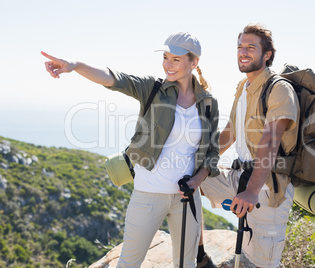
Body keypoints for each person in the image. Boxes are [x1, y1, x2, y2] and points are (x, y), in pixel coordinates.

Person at [42, 32, 220, 268]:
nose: (168, 64)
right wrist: (75, 66)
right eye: (165, 57)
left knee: (186, 264)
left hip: (187, 199)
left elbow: (211, 153)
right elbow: (113, 78)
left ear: (193, 62)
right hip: (148, 195)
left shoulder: (208, 103)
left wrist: (196, 181)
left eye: (175, 59)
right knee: (128, 263)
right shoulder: (153, 88)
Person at [196, 23, 300, 268]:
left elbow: (270, 143)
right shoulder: (243, 87)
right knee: (187, 180)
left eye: (251, 47)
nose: (243, 52)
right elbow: (230, 133)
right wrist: (201, 162)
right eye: (240, 46)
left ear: (267, 55)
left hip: (267, 189)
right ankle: (200, 258)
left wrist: (251, 191)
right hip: (239, 176)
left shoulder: (279, 89)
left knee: (260, 264)